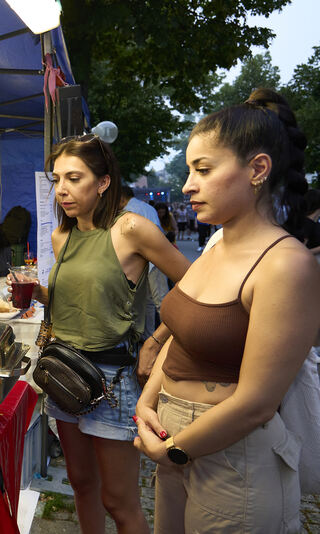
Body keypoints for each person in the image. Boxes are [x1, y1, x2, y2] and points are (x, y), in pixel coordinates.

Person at [133, 89, 320, 533]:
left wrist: (174, 449)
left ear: (258, 169)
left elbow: (256, 402)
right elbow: (180, 334)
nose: (187, 185)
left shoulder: (285, 263)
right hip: (173, 438)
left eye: (203, 169)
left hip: (235, 459)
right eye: (188, 170)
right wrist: (147, 401)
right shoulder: (216, 247)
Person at [24, 134, 190, 533]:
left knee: (118, 500)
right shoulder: (60, 236)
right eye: (57, 178)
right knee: (81, 484)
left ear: (102, 182)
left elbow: (194, 284)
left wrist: (156, 340)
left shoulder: (131, 228)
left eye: (74, 178)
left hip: (113, 382)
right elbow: (77, 301)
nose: (62, 189)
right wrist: (36, 293)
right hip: (65, 375)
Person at [119, 186, 169, 339]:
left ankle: (167, 339)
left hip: (148, 263)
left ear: (121, 198)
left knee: (159, 302)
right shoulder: (147, 208)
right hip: (153, 262)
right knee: (151, 302)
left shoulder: (128, 212)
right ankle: (150, 337)